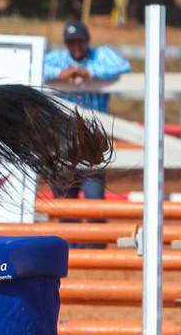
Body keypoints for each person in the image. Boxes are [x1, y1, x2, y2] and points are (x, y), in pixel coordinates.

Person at [43, 20, 131, 203]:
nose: (76, 47)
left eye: (80, 42)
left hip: (93, 136)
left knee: (94, 196)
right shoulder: (57, 59)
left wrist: (89, 72)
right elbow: (33, 66)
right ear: (66, 44)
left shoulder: (100, 55)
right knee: (65, 199)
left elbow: (123, 66)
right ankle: (69, 229)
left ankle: (94, 227)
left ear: (87, 41)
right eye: (71, 42)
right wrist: (59, 74)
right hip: (63, 137)